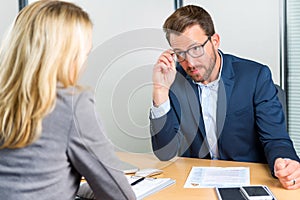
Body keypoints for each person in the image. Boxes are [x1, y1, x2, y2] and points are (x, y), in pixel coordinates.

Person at [150, 5, 300, 190]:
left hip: (249, 181)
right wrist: (160, 91)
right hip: (196, 185)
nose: (189, 62)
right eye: (180, 54)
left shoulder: (255, 77)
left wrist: (285, 163)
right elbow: (165, 153)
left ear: (215, 41)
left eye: (196, 49)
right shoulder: (174, 80)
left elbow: (276, 140)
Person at [0, 1, 136, 199]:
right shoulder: (72, 105)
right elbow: (120, 196)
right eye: (84, 54)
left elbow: (27, 183)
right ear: (66, 56)